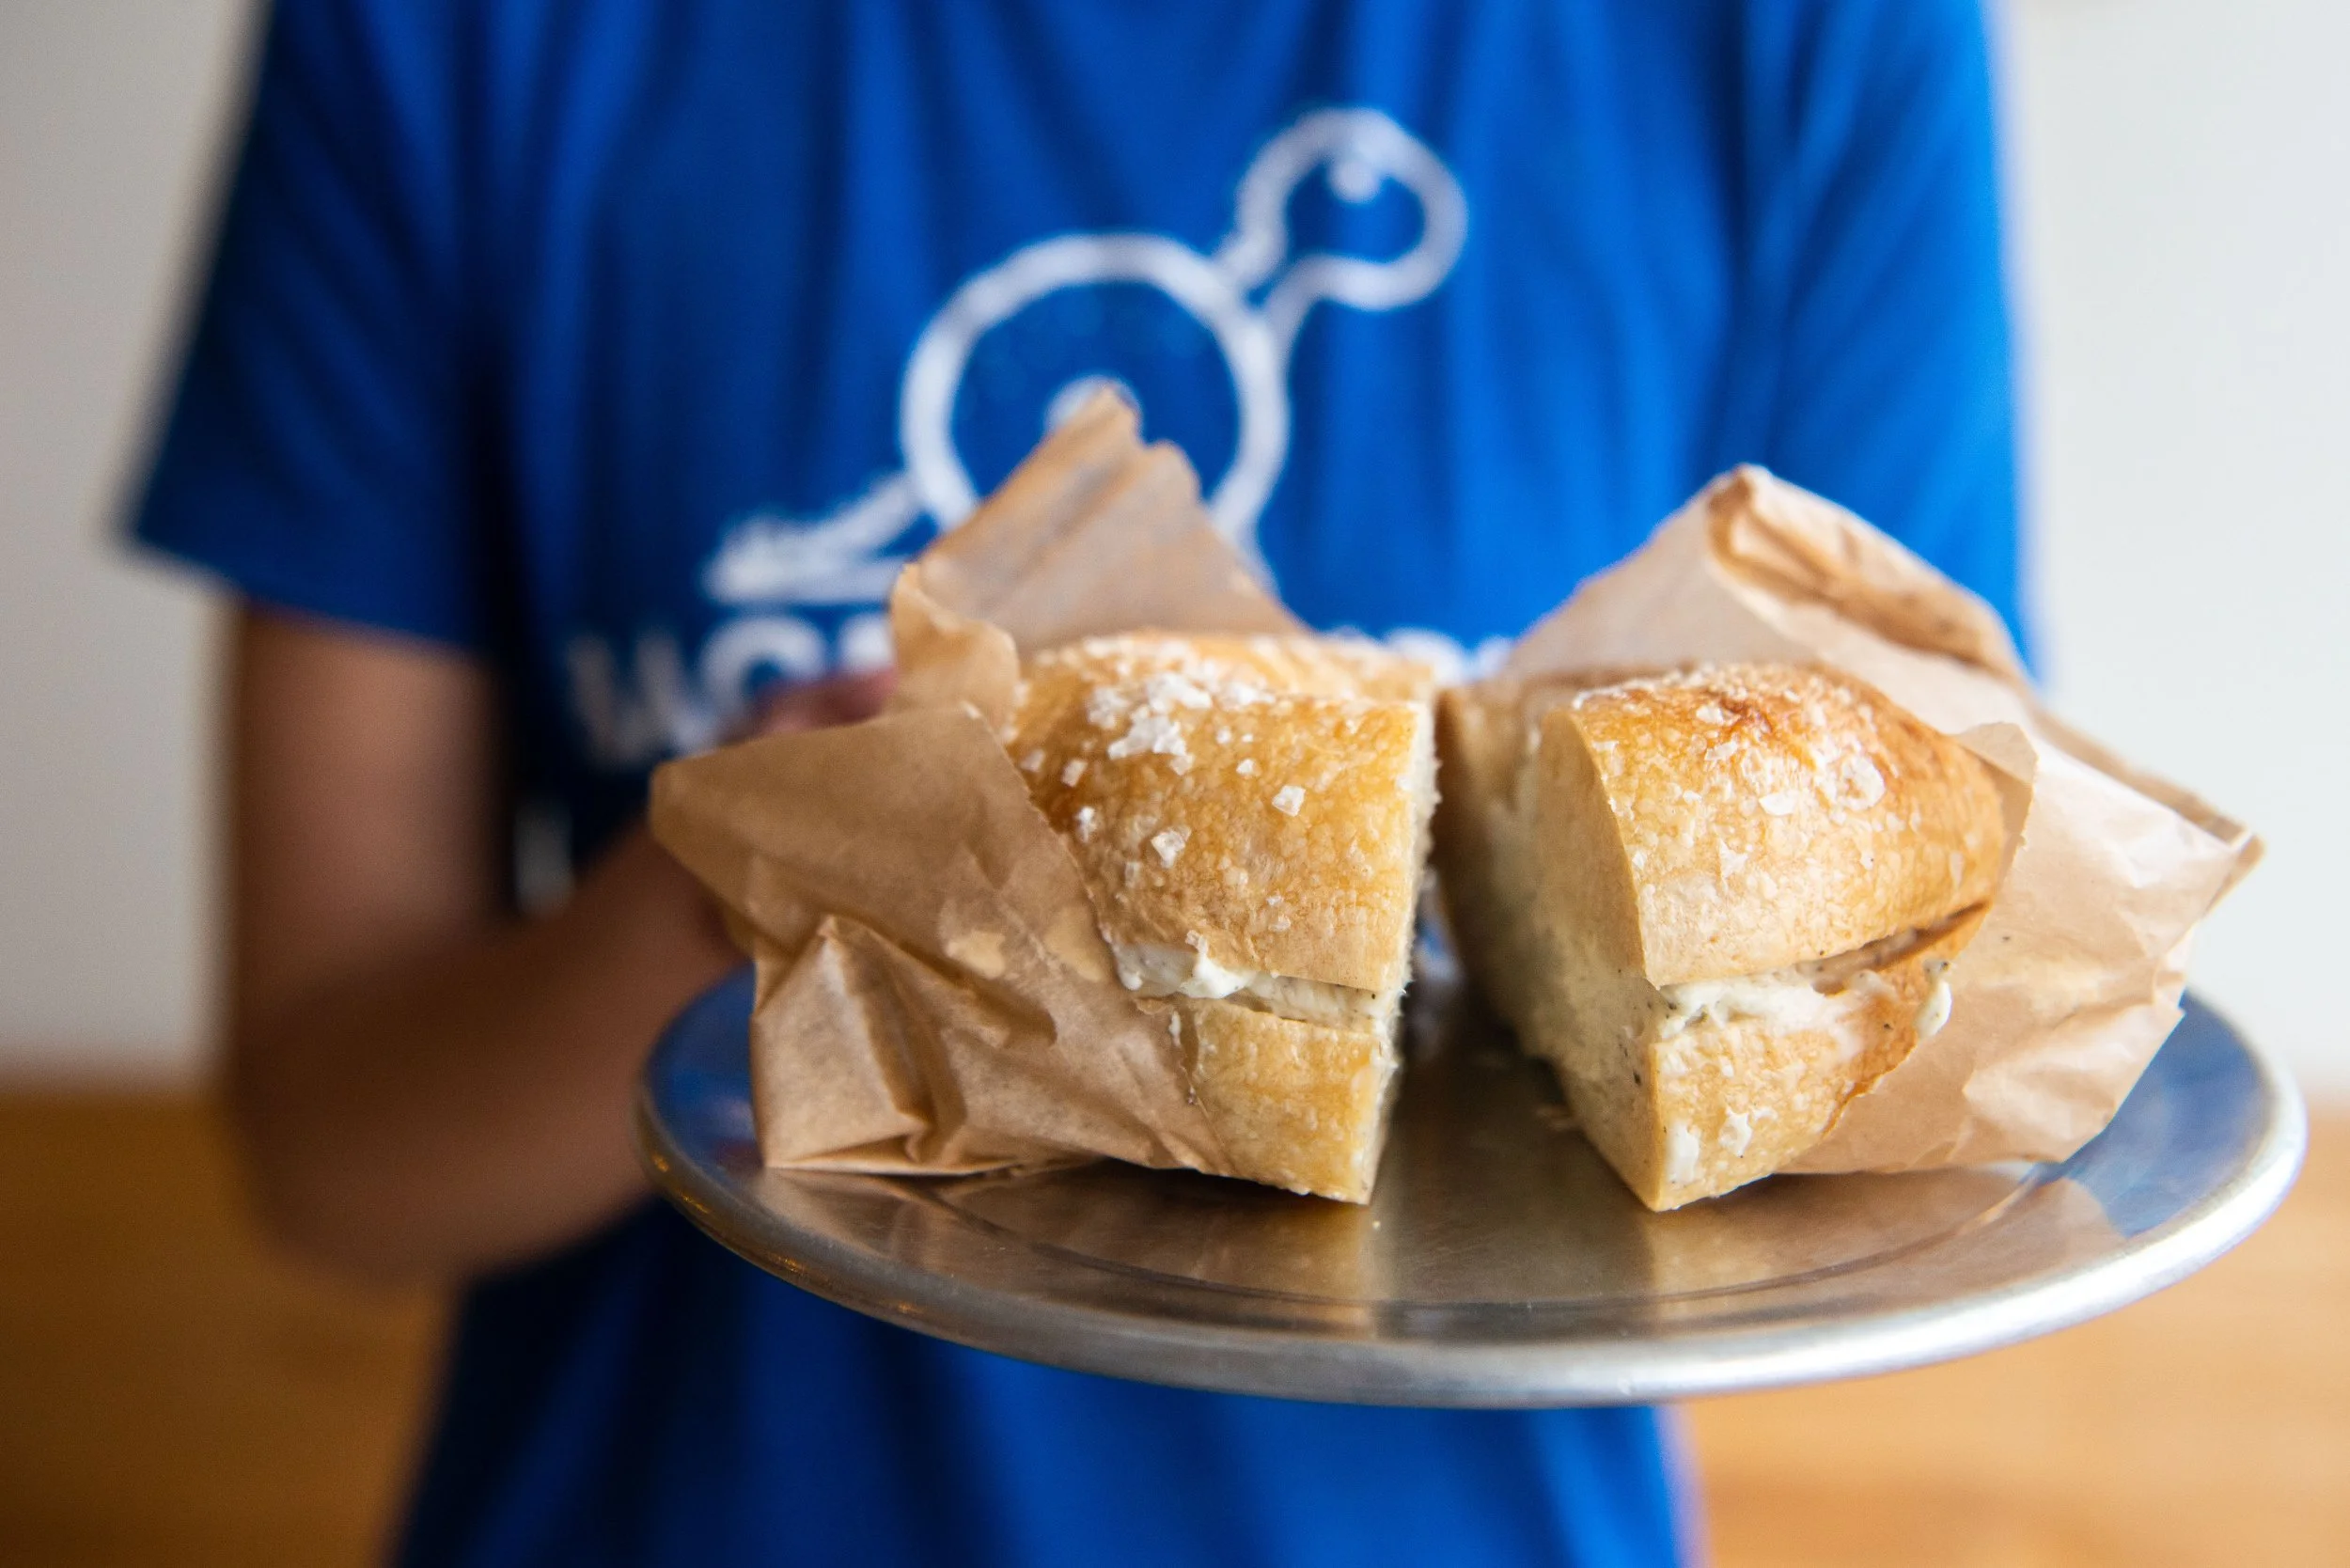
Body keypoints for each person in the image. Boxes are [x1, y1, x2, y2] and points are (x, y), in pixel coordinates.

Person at [135, 1, 2024, 1562]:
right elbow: (336, 1164)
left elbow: (1907, 955)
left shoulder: (1802, 37)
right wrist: (751, 870)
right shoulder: (448, 41)